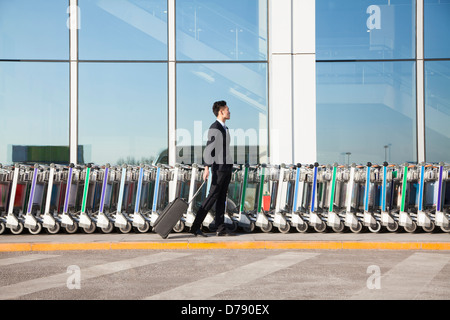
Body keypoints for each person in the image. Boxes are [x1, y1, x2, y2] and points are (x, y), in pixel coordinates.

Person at [190, 100, 234, 237]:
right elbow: (209, 148)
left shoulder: (224, 128)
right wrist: (207, 167)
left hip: (226, 167)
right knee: (212, 197)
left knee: (222, 198)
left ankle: (220, 227)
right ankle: (195, 226)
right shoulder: (215, 127)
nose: (229, 111)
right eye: (227, 109)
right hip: (219, 169)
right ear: (221, 112)